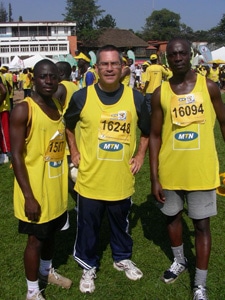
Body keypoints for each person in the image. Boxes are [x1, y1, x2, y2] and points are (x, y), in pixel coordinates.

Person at [64, 44, 150, 294]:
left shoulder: (135, 97)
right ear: (97, 67)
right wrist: (75, 152)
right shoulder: (81, 96)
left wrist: (140, 154)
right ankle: (88, 266)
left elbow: (147, 130)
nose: (110, 68)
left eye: (114, 63)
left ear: (123, 67)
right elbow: (68, 126)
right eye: (105, 64)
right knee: (88, 226)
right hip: (90, 178)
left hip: (121, 177)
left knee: (120, 222)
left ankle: (122, 257)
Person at [149, 37, 225, 300]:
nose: (178, 58)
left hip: (201, 171)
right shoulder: (161, 93)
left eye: (182, 53)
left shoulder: (210, 87)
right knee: (172, 218)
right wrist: (154, 177)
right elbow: (155, 136)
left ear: (190, 55)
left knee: (202, 225)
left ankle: (200, 284)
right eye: (173, 54)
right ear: (167, 58)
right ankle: (179, 261)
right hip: (170, 172)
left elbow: (224, 125)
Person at [10, 59, 72, 300]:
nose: (49, 81)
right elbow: (15, 154)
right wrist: (28, 196)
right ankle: (33, 291)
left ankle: (47, 272)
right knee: (35, 240)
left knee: (51, 234)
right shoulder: (24, 109)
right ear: (33, 79)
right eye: (43, 76)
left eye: (53, 76)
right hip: (34, 189)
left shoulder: (56, 103)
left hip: (55, 185)